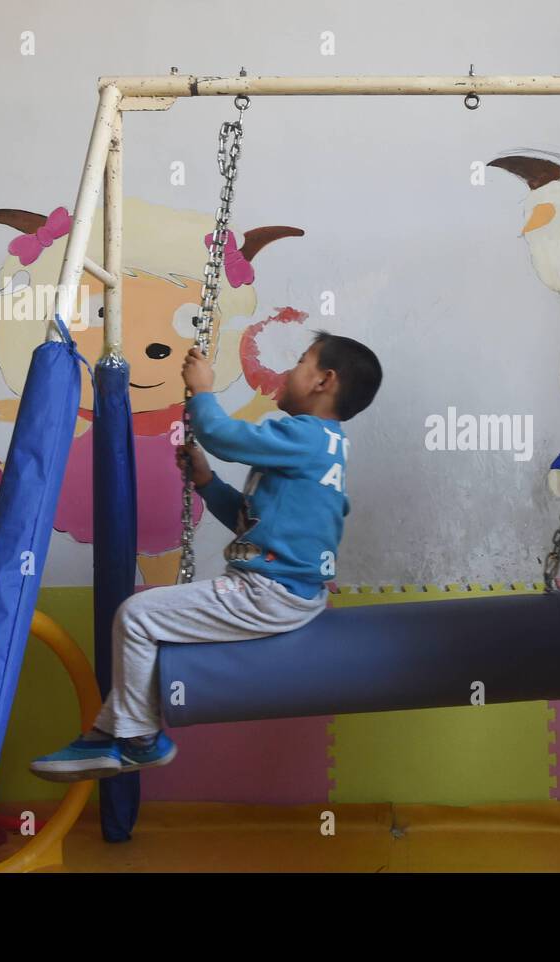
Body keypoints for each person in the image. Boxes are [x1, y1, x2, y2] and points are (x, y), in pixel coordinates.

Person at [31, 330, 383, 781]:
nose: (289, 370)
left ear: (324, 381)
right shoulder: (322, 448)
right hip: (290, 589)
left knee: (137, 616)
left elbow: (223, 435)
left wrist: (202, 389)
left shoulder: (306, 435)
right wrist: (206, 482)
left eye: (301, 361)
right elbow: (247, 522)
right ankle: (110, 732)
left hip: (270, 592)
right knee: (146, 618)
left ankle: (137, 739)